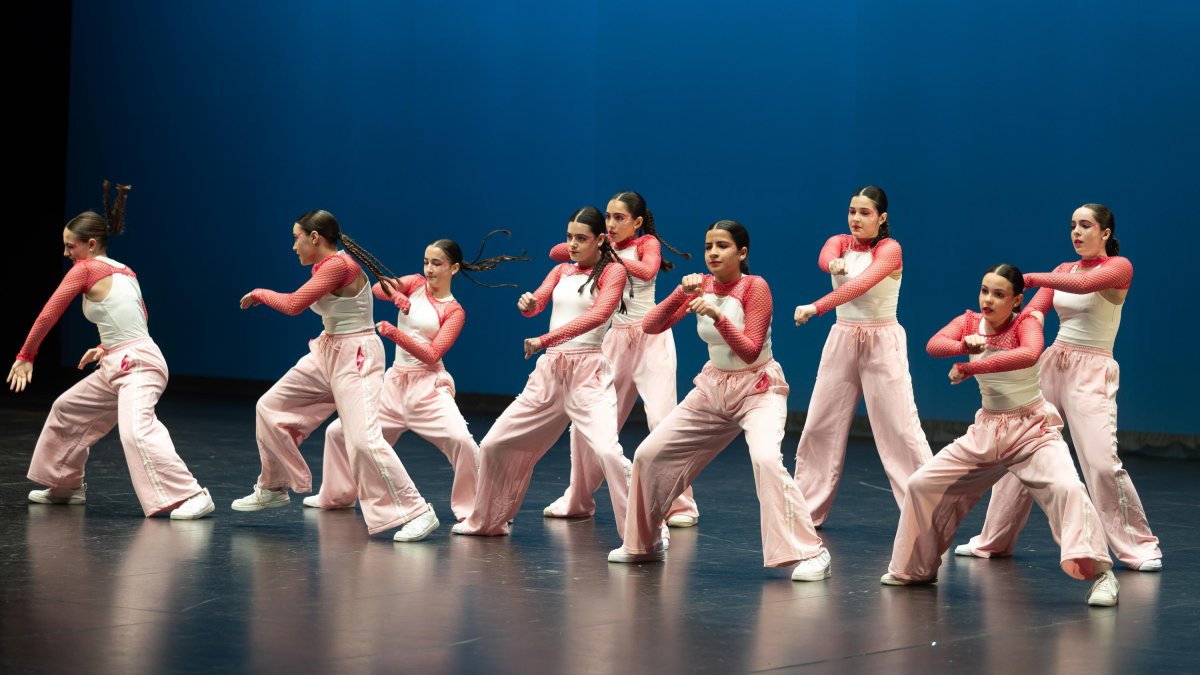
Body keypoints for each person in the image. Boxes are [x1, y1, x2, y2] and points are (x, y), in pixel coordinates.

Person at [882, 263, 1118, 607]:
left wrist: (971, 364)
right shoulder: (968, 322)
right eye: (984, 291)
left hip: (1032, 431)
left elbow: (1028, 355)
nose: (988, 299)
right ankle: (916, 568)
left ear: (1018, 300)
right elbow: (935, 344)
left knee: (1068, 488)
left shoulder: (1027, 324)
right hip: (986, 431)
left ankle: (1102, 576)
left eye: (999, 294)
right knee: (921, 484)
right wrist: (964, 344)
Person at [610, 220, 832, 583]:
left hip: (758, 387)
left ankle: (811, 552)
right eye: (708, 245)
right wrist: (678, 295)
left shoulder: (754, 287)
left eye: (722, 246)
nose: (713, 252)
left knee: (764, 458)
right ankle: (644, 542)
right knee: (649, 455)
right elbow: (649, 326)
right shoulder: (702, 285)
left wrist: (717, 315)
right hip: (713, 387)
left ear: (741, 253)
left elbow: (749, 351)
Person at [956, 204, 1162, 571]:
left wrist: (1031, 278)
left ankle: (1139, 546)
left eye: (1086, 226)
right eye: (1072, 226)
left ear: (1106, 233)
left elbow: (1083, 285)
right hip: (1053, 363)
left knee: (1100, 462)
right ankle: (993, 540)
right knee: (1021, 450)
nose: (1077, 233)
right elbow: (1034, 313)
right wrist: (1006, 336)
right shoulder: (1061, 271)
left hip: (1092, 369)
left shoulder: (1119, 267)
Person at [9, 181, 213, 520]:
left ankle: (192, 494)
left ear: (89, 245)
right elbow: (139, 315)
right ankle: (67, 486)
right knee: (67, 408)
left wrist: (25, 356)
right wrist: (106, 346)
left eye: (69, 246)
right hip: (119, 361)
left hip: (139, 365)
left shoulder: (86, 268)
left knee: (136, 430)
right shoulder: (125, 271)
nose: (65, 253)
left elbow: (50, 312)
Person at [233, 209, 437, 542]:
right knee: (270, 407)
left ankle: (416, 512)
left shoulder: (339, 265)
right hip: (328, 350)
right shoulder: (325, 267)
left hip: (356, 355)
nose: (293, 246)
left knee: (363, 440)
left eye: (296, 238)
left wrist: (259, 293)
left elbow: (294, 305)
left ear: (315, 237)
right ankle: (273, 485)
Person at [306, 232, 526, 522]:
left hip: (428, 388)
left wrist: (394, 333)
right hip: (394, 385)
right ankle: (336, 495)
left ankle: (476, 508)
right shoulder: (415, 284)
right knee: (338, 432)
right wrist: (397, 294)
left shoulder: (455, 311)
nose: (430, 269)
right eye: (426, 262)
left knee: (462, 441)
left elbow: (433, 354)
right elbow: (377, 289)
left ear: (454, 268)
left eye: (437, 263)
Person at [452, 206, 631, 537]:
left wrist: (544, 338)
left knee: (607, 451)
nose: (573, 244)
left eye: (581, 238)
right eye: (569, 237)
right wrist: (529, 305)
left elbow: (598, 315)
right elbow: (538, 303)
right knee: (493, 444)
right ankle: (488, 521)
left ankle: (643, 535)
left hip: (587, 372)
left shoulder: (613, 274)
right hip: (550, 372)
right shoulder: (561, 271)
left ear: (600, 240)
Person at [542, 190, 700, 527]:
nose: (612, 224)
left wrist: (605, 251)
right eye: (608, 218)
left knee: (662, 421)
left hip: (651, 339)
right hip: (614, 340)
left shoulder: (646, 245)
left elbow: (645, 271)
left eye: (620, 218)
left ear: (638, 222)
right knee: (588, 425)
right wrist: (592, 242)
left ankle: (681, 505)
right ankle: (579, 498)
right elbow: (557, 252)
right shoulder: (603, 245)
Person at [792, 185, 931, 527]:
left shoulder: (890, 249)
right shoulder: (839, 241)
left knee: (900, 429)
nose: (856, 218)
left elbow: (861, 284)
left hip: (882, 342)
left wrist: (816, 306)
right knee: (819, 424)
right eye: (852, 211)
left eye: (865, 212)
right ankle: (805, 510)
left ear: (882, 218)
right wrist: (833, 262)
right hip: (842, 339)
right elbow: (825, 256)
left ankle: (928, 512)